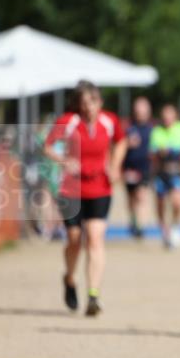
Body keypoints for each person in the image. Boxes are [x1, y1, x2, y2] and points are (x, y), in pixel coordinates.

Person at [44, 81, 126, 316]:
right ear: (78, 105)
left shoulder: (109, 122)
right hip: (71, 189)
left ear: (100, 102)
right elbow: (47, 146)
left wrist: (115, 165)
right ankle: (69, 278)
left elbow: (121, 142)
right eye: (83, 103)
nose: (88, 108)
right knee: (74, 238)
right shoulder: (69, 122)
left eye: (93, 102)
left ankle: (93, 294)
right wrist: (64, 161)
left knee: (95, 238)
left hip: (100, 187)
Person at [150, 103, 180, 249]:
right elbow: (154, 150)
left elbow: (179, 148)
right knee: (160, 204)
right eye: (164, 115)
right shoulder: (157, 130)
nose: (167, 118)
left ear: (175, 116)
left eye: (169, 114)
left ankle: (176, 225)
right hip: (160, 173)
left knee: (177, 202)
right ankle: (164, 231)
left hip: (176, 172)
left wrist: (166, 149)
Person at [122, 96, 154, 238]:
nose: (140, 113)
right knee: (131, 197)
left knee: (142, 196)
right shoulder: (128, 128)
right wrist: (127, 144)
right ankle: (133, 220)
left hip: (144, 168)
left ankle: (141, 226)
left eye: (143, 110)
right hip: (129, 168)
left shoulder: (153, 129)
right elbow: (119, 147)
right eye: (138, 110)